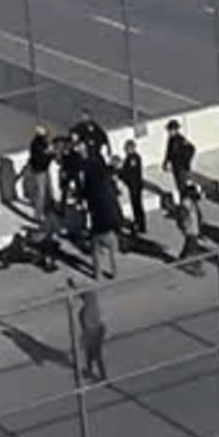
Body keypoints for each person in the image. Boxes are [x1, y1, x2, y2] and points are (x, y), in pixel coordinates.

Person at [83, 149, 122, 280]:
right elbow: (116, 206)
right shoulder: (109, 189)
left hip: (97, 225)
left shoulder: (92, 190)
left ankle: (97, 274)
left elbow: (88, 204)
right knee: (113, 251)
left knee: (95, 251)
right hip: (109, 224)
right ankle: (115, 273)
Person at [69, 279, 107, 382]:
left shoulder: (90, 308)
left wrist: (84, 337)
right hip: (93, 330)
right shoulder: (91, 302)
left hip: (93, 332)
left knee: (96, 354)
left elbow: (88, 324)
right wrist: (74, 286)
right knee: (89, 353)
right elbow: (83, 294)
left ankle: (102, 376)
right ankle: (90, 371)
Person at [118, 138, 146, 235]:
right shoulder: (132, 158)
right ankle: (140, 224)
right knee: (136, 205)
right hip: (134, 185)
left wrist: (121, 174)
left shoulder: (133, 158)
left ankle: (140, 224)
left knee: (137, 205)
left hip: (134, 185)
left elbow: (130, 173)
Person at [163, 120, 196, 199]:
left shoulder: (181, 139)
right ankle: (183, 201)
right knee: (179, 185)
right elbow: (169, 152)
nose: (170, 132)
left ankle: (186, 201)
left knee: (182, 185)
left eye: (171, 130)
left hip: (182, 167)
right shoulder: (171, 140)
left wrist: (186, 162)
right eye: (169, 130)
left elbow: (191, 149)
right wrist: (165, 162)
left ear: (175, 130)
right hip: (175, 166)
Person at [174, 183, 205, 270]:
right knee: (193, 247)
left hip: (193, 228)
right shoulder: (186, 204)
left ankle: (183, 259)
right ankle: (196, 263)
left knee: (188, 246)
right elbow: (183, 217)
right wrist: (184, 226)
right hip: (190, 229)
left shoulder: (191, 202)